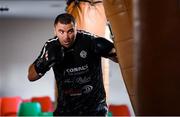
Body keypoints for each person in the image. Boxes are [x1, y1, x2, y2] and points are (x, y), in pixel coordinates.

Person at [28, 13, 118, 116]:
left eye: (70, 31)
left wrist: (112, 51)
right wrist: (44, 62)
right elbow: (31, 76)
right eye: (61, 32)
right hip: (66, 110)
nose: (66, 37)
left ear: (76, 29)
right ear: (55, 31)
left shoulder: (89, 41)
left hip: (95, 110)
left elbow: (119, 60)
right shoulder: (51, 46)